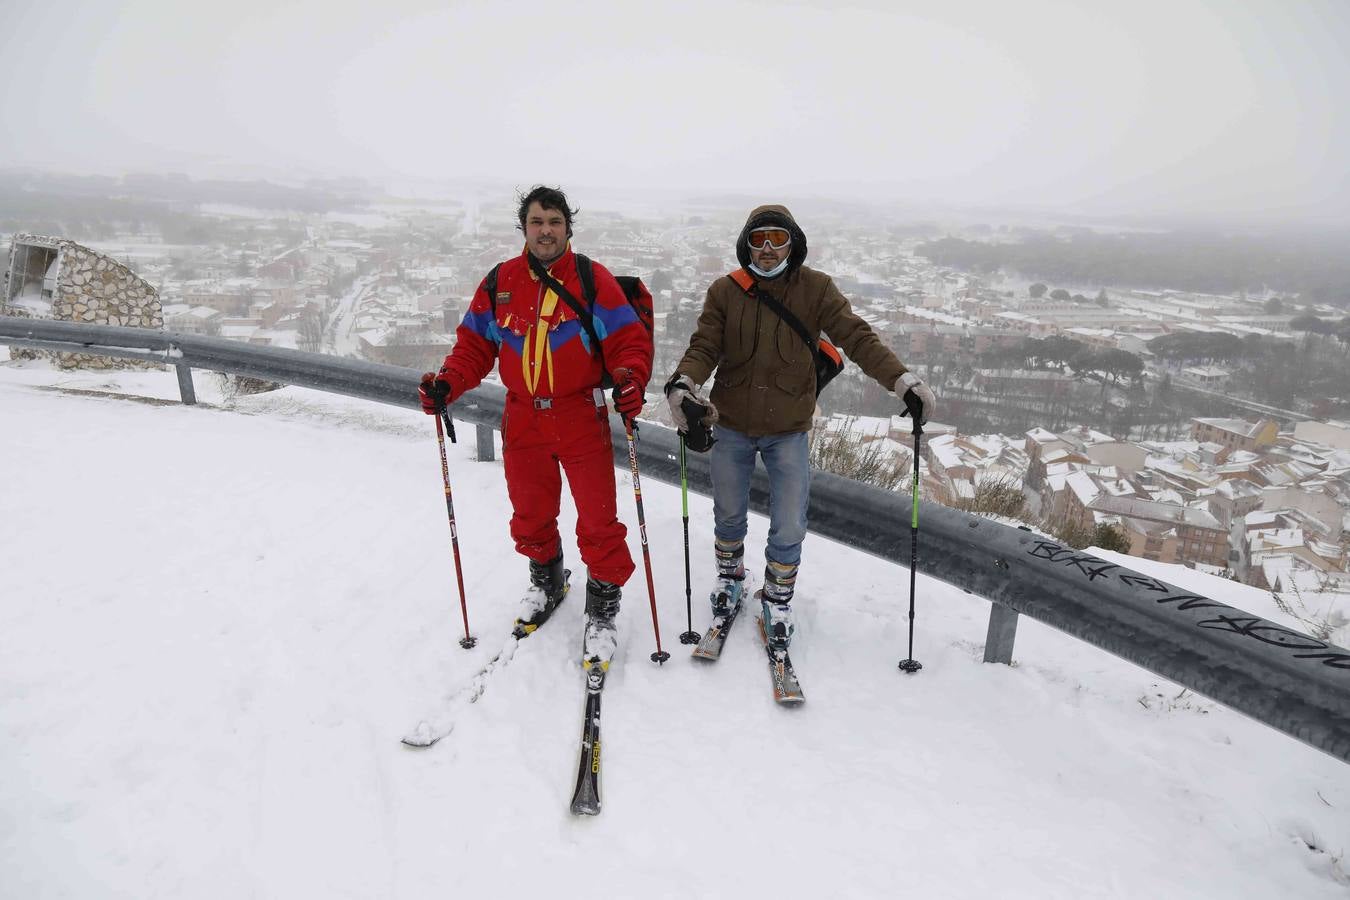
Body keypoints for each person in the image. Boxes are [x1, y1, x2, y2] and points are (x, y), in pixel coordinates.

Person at [664, 204, 936, 650]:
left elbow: (857, 336)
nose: (768, 249)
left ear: (794, 242)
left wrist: (901, 380)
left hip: (788, 426)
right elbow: (705, 345)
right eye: (758, 239)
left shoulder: (816, 289)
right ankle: (730, 579)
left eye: (777, 238)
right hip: (732, 422)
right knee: (728, 513)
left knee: (789, 520)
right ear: (745, 243)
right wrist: (684, 383)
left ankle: (778, 595)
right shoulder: (725, 292)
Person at [419, 186, 652, 663]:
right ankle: (547, 580)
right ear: (524, 228)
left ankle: (603, 608)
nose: (546, 230)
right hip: (522, 414)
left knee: (597, 517)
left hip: (579, 414)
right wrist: (448, 383)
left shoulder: (591, 279)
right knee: (530, 510)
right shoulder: (500, 281)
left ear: (568, 228)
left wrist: (630, 381)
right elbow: (474, 345)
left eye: (555, 222)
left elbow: (628, 341)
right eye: (536, 222)